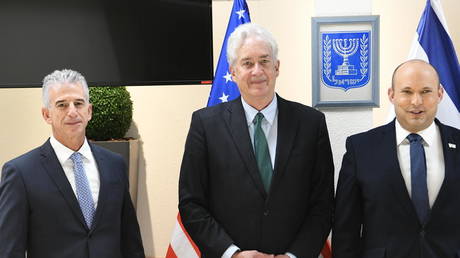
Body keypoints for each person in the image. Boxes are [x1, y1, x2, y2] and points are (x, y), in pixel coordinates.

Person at [179, 23, 334, 258]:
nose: (257, 71)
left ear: (277, 67)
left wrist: (294, 256)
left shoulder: (311, 124)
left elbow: (323, 204)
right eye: (247, 63)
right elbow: (191, 203)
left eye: (264, 61)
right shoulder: (205, 124)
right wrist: (232, 253)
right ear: (233, 71)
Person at [0, 69, 145, 258]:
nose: (72, 112)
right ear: (46, 115)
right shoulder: (20, 173)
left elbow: (130, 241)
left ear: (89, 111)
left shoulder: (115, 165)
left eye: (78, 103)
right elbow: (9, 250)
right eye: (62, 105)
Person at [333, 59, 460, 258]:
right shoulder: (361, 149)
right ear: (392, 95)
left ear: (440, 94)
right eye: (407, 91)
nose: (416, 101)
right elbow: (345, 230)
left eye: (426, 91)